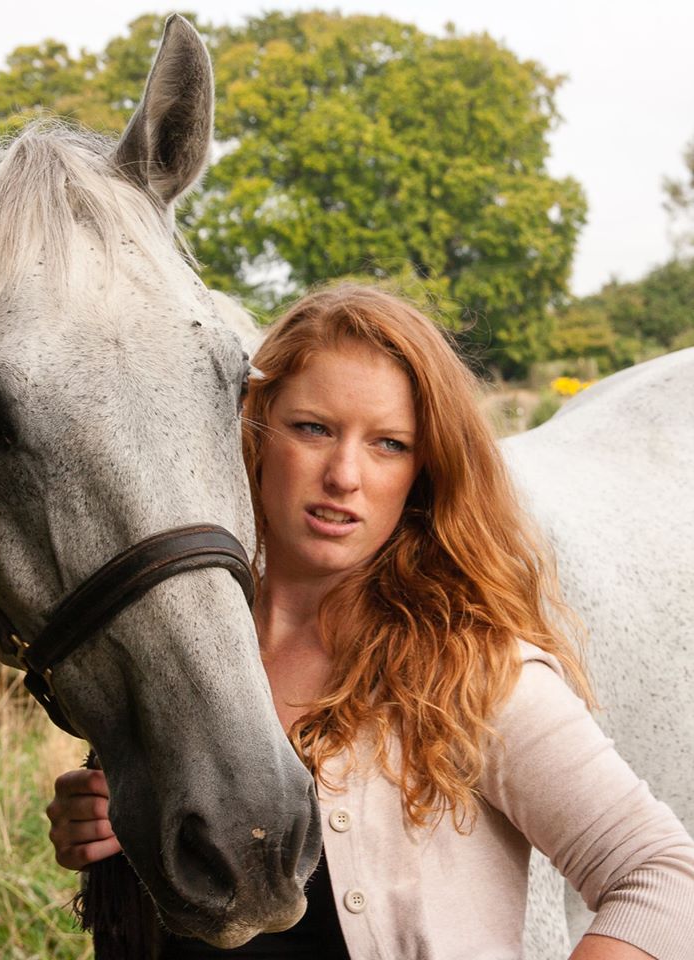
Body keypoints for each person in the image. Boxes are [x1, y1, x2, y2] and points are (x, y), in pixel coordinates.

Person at [47, 283, 694, 959]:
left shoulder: (468, 674)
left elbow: (662, 876)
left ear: (423, 471)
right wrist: (115, 819)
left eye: (388, 444)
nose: (344, 475)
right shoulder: (184, 650)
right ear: (254, 431)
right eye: (313, 428)